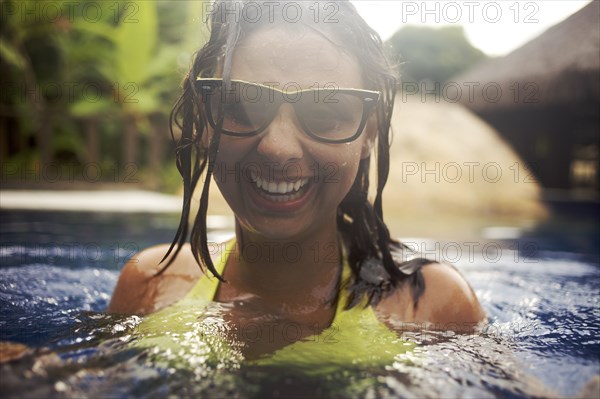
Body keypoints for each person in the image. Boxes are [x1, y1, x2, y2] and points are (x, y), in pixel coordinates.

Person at [108, 0, 485, 358]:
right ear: (207, 124)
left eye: (324, 115)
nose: (278, 148)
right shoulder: (151, 285)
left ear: (368, 133)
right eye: (241, 107)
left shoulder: (429, 306)